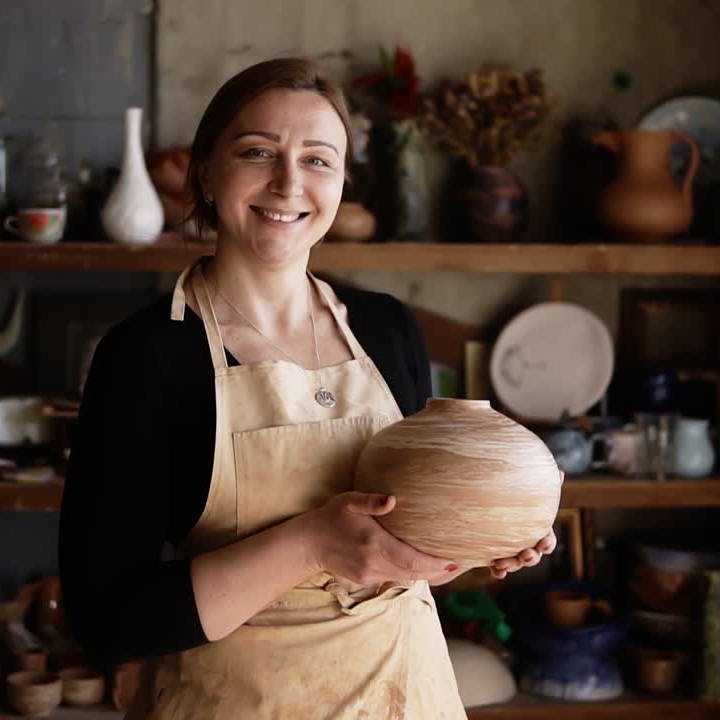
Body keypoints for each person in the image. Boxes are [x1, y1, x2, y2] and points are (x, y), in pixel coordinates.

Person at [59, 57, 556, 719]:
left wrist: (481, 530)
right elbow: (108, 620)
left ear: (343, 181)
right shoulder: (147, 356)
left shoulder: (388, 328)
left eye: (318, 160)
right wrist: (311, 543)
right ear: (206, 172)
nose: (289, 182)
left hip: (406, 696)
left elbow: (401, 538)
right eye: (257, 151)